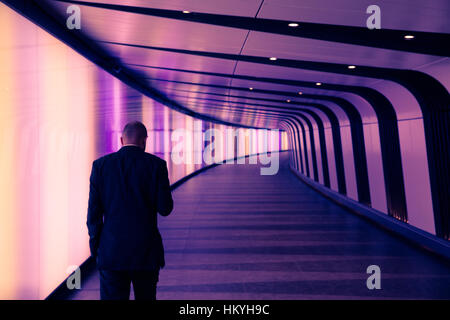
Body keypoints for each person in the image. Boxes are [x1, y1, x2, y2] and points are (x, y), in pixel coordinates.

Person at [87, 121, 173, 300]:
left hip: (112, 252)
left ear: (121, 140)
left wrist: (97, 247)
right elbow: (165, 209)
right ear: (144, 141)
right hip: (146, 252)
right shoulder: (156, 166)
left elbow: (93, 215)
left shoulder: (100, 166)